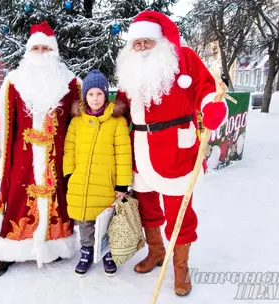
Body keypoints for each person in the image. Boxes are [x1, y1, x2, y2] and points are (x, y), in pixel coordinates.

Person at [0, 21, 82, 277]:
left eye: (46, 48)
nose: (42, 53)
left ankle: (54, 247)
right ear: (28, 51)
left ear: (54, 51)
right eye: (37, 48)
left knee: (58, 205)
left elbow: (82, 121)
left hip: (58, 161)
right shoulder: (14, 82)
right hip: (21, 161)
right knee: (17, 204)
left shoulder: (70, 83)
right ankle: (9, 251)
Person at [115, 11, 228, 296]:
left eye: (146, 42)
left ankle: (181, 266)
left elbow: (207, 89)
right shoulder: (130, 70)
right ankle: (155, 251)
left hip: (176, 148)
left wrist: (213, 108)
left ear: (159, 41)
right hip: (139, 147)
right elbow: (120, 107)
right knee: (147, 206)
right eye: (136, 44)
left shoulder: (184, 58)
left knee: (179, 210)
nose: (140, 48)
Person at [63, 70, 132, 276]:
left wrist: (121, 184)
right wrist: (69, 174)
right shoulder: (77, 121)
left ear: (105, 95)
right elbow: (69, 149)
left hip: (106, 183)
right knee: (85, 220)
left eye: (99, 94)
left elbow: (123, 154)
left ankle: (107, 252)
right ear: (85, 96)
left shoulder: (116, 122)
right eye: (90, 94)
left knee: (106, 220)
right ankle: (86, 251)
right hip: (81, 182)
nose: (94, 98)